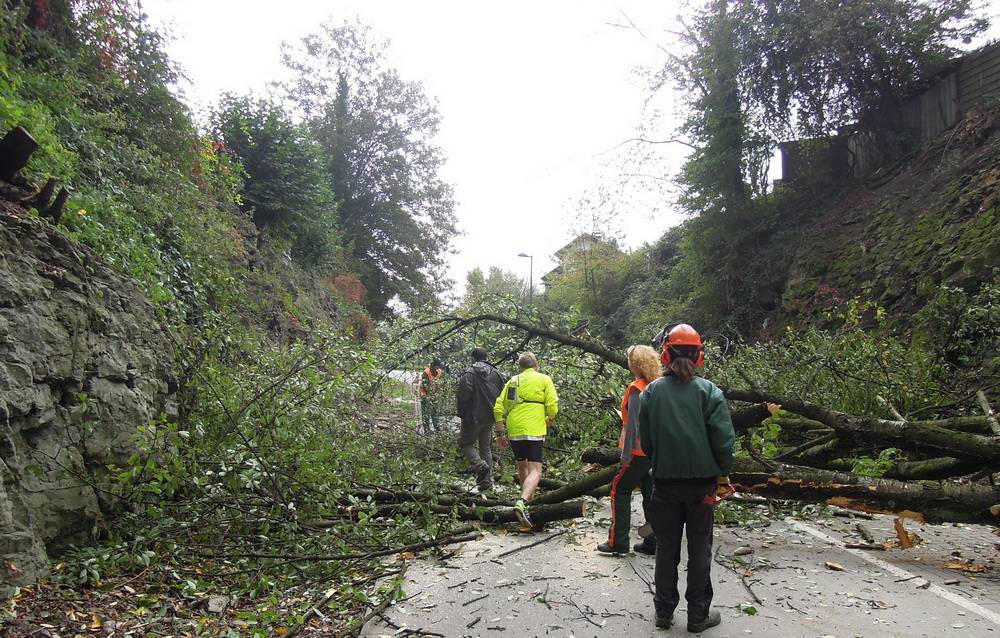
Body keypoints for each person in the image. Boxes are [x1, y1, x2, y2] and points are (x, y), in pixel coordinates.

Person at [638, 324, 735, 633]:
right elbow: (723, 440)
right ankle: (697, 615)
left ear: (665, 354)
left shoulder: (651, 392)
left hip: (665, 485)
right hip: (701, 487)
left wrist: (662, 464)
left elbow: (647, 441)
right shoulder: (710, 392)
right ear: (699, 357)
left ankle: (663, 613)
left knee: (667, 550)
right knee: (700, 550)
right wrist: (723, 473)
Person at [597, 344, 660, 555]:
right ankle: (653, 541)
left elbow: (633, 425)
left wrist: (625, 457)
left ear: (636, 364)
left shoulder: (636, 389)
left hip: (637, 452)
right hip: (653, 452)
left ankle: (618, 542)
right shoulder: (658, 386)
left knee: (619, 489)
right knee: (650, 494)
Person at [493, 352, 558, 528]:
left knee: (522, 465)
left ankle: (528, 505)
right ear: (536, 365)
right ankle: (522, 502)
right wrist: (550, 418)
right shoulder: (544, 379)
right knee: (536, 469)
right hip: (534, 427)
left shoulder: (513, 381)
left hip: (515, 428)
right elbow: (552, 404)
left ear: (520, 367)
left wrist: (500, 433)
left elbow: (498, 408)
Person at [456, 347, 506, 492]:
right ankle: (486, 483)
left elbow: (463, 396)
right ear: (486, 356)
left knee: (465, 444)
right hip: (491, 416)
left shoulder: (469, 374)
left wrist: (462, 414)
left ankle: (479, 464)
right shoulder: (497, 374)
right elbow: (503, 395)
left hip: (473, 417)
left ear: (473, 358)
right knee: (485, 447)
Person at [419, 359, 445, 434]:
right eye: (436, 367)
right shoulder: (426, 373)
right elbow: (426, 386)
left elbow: (441, 384)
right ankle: (426, 429)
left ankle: (437, 428)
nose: (437, 369)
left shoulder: (439, 372)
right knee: (426, 412)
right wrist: (431, 395)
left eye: (438, 368)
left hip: (435, 394)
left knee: (435, 411)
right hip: (425, 394)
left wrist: (437, 394)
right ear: (432, 366)